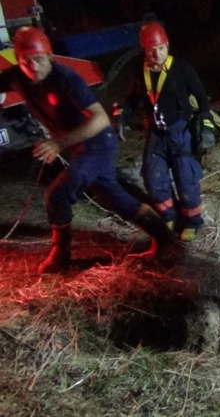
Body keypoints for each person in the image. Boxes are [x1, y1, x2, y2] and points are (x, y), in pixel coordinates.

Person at [0, 26, 175, 274]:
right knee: (112, 197)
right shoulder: (18, 76)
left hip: (97, 144)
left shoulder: (66, 79)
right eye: (26, 61)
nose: (33, 67)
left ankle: (60, 254)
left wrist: (58, 143)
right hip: (77, 147)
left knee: (57, 195)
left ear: (49, 56)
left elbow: (100, 119)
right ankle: (164, 237)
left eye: (38, 60)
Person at [119, 21, 215, 242]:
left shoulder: (181, 69)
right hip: (156, 134)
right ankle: (168, 215)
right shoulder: (138, 71)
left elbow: (201, 98)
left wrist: (206, 126)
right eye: (152, 49)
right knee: (153, 177)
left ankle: (192, 221)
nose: (157, 53)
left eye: (161, 47)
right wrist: (123, 117)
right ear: (144, 49)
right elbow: (133, 99)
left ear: (167, 46)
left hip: (180, 132)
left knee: (186, 178)